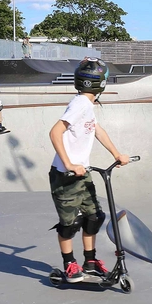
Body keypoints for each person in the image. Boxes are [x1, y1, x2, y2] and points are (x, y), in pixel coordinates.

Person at [48, 57, 130, 282]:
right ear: (100, 84)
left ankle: (91, 262)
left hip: (82, 174)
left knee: (94, 217)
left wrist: (117, 154)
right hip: (65, 176)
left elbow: (97, 130)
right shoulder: (80, 104)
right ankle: (69, 264)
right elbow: (55, 132)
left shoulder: (86, 103)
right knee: (69, 224)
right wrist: (69, 164)